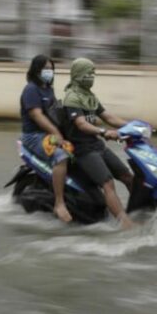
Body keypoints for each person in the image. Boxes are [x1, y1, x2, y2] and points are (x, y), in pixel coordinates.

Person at [62, 58, 135, 229]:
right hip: (82, 149)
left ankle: (139, 211)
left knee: (128, 177)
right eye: (89, 73)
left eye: (93, 73)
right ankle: (125, 223)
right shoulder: (71, 98)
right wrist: (103, 132)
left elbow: (108, 117)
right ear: (79, 75)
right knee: (108, 183)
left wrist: (133, 126)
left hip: (96, 145)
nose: (92, 77)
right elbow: (81, 124)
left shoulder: (90, 96)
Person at [19, 54, 73, 223]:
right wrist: (56, 133)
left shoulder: (48, 89)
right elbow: (37, 115)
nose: (49, 72)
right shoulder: (31, 89)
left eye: (51, 69)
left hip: (48, 134)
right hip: (34, 136)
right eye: (45, 69)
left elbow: (55, 111)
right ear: (36, 70)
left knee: (75, 148)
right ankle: (59, 203)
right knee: (61, 156)